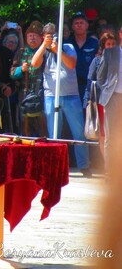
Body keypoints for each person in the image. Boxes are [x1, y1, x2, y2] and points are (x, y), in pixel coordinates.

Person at [31, 23, 91, 177]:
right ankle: (54, 166)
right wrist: (44, 46)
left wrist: (58, 49)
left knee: (78, 132)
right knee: (54, 133)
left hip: (71, 95)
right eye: (49, 36)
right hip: (51, 95)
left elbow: (71, 64)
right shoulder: (43, 51)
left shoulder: (68, 47)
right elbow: (34, 63)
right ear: (44, 36)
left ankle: (84, 165)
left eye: (55, 36)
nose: (53, 39)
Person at [10, 21, 48, 137]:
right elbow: (12, 74)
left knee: (42, 126)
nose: (32, 38)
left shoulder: (46, 52)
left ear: (41, 38)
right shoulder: (21, 52)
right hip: (24, 94)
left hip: (42, 93)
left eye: (35, 36)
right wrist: (21, 69)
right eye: (30, 36)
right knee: (24, 126)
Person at [85, 32, 117, 165]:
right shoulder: (97, 60)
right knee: (103, 135)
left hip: (118, 101)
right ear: (103, 46)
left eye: (113, 44)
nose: (111, 47)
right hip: (103, 101)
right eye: (108, 44)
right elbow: (90, 82)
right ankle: (107, 166)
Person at [96, 31, 122, 171]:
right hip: (113, 98)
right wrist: (108, 92)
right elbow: (100, 77)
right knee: (110, 138)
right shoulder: (110, 53)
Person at [66, 11, 99, 102]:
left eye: (81, 23)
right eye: (76, 23)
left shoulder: (95, 43)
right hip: (70, 87)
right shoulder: (66, 44)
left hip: (89, 86)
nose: (79, 25)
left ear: (87, 25)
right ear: (72, 27)